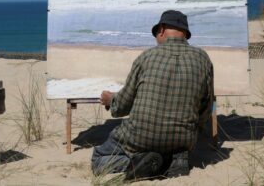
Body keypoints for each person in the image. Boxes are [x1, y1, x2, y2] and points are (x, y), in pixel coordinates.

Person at [91, 10, 214, 181]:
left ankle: (146, 163)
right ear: (184, 33)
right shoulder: (203, 59)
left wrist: (111, 100)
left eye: (156, 33)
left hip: (140, 137)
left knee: (98, 159)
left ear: (162, 29)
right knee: (177, 139)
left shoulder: (146, 57)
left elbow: (123, 106)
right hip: (184, 140)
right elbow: (206, 107)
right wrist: (194, 128)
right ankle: (175, 156)